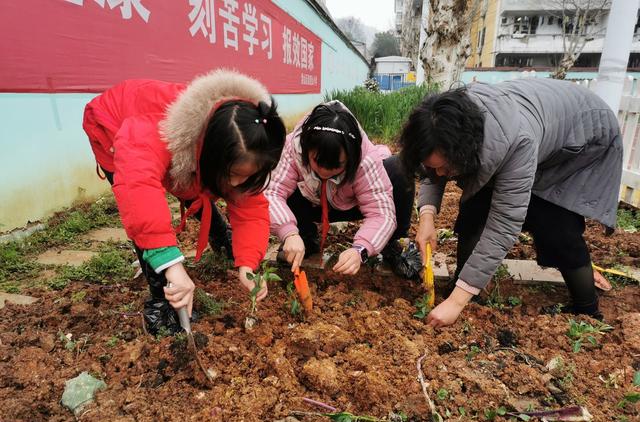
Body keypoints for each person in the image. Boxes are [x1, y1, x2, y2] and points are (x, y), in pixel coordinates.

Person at [400, 78, 622, 327]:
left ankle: (586, 309)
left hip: (582, 136)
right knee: (475, 208)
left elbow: (504, 223)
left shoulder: (517, 141)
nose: (440, 174)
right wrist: (427, 218)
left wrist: (456, 303)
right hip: (532, 125)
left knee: (553, 221)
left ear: (463, 151)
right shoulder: (442, 120)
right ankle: (463, 285)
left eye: (445, 168)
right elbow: (432, 169)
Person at [82, 69, 286, 335]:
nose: (237, 185)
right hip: (110, 124)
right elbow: (138, 191)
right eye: (234, 174)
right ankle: (160, 300)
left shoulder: (243, 135)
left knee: (199, 184)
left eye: (247, 176)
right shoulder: (157, 134)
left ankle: (222, 238)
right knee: (156, 202)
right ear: (209, 151)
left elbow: (250, 209)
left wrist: (248, 263)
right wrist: (171, 265)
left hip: (188, 151)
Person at [264, 101, 416, 277]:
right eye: (317, 162)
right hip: (312, 204)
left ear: (351, 156)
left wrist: (361, 249)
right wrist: (289, 233)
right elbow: (271, 192)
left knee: (399, 169)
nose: (325, 171)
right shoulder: (293, 148)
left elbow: (381, 213)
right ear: (306, 149)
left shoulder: (365, 158)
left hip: (351, 205)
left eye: (337, 165)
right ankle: (303, 235)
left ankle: (393, 243)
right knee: (284, 187)